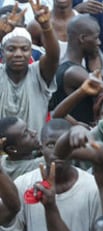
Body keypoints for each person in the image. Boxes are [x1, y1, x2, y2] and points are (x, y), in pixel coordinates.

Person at [2, 119, 102, 231]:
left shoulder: (93, 187)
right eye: (51, 145)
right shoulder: (24, 183)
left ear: (76, 148)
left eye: (65, 145)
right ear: (41, 148)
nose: (58, 151)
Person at [0, 0, 59, 135]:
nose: (18, 54)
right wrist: (1, 35)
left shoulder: (39, 74)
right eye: (11, 49)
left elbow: (54, 56)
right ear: (2, 52)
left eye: (24, 49)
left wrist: (46, 26)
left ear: (31, 51)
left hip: (35, 153)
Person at [48, 14, 102, 125]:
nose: (99, 42)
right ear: (82, 38)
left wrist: (94, 56)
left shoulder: (62, 64)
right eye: (96, 38)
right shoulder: (74, 72)